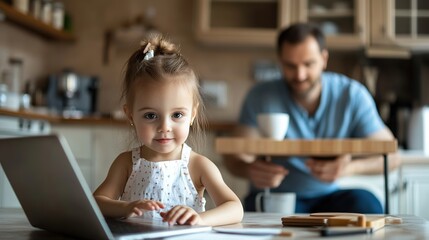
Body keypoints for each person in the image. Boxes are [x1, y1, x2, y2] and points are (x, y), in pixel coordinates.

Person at [224, 23, 400, 214]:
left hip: (328, 194)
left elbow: (392, 157)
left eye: (308, 64)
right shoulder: (260, 96)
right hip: (277, 196)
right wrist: (250, 170)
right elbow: (235, 156)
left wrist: (348, 168)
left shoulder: (352, 95)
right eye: (290, 65)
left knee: (367, 203)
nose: (299, 75)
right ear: (280, 62)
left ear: (324, 59)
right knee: (257, 212)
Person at [93, 34, 243, 226]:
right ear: (130, 115)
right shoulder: (126, 163)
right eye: (150, 116)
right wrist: (126, 207)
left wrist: (199, 219)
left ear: (192, 115)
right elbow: (97, 203)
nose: (164, 127)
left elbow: (235, 207)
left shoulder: (198, 165)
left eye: (177, 115)